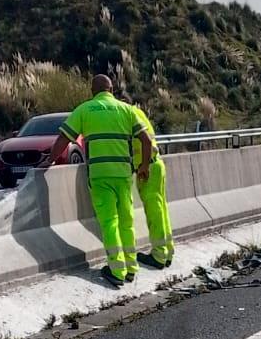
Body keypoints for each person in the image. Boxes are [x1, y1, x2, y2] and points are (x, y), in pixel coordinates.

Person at [41, 75, 153, 288]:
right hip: (123, 173)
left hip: (100, 175)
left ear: (93, 90)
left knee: (109, 222)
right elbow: (146, 140)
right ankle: (131, 268)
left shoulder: (85, 110)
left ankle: (116, 270)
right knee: (126, 221)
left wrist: (49, 161)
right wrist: (145, 166)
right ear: (111, 89)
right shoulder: (126, 110)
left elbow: (63, 139)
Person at [125, 97, 174, 270]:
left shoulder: (129, 115)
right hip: (156, 164)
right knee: (161, 210)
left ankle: (159, 255)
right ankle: (167, 251)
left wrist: (142, 166)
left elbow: (143, 141)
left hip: (148, 168)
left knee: (154, 211)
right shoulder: (139, 113)